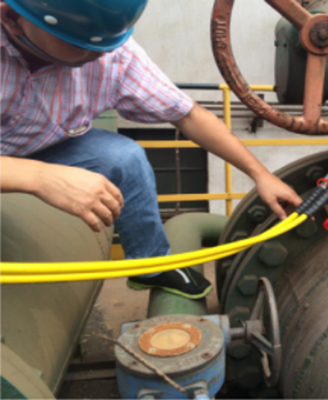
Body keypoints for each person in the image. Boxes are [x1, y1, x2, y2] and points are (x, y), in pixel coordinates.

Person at [0, 0, 302, 299]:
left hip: (46, 145)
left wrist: (260, 175)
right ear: (11, 18)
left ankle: (150, 265)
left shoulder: (112, 53)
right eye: (79, 45)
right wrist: (39, 177)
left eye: (108, 43)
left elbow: (188, 115)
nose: (100, 56)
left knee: (125, 157)